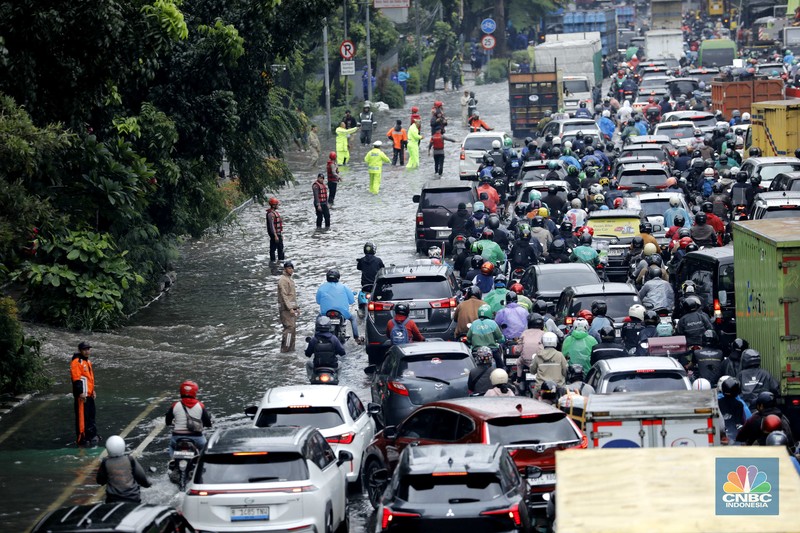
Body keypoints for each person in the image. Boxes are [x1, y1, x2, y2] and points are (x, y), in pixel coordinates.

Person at [96, 435, 151, 503]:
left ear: (107, 449)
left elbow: (100, 480)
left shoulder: (105, 462)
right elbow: (142, 478)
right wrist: (148, 484)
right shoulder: (130, 460)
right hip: (133, 499)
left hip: (113, 501)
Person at [166, 380, 212, 456]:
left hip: (177, 437)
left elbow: (167, 421)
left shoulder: (175, 405)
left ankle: (172, 460)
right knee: (205, 449)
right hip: (196, 437)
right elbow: (208, 423)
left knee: (171, 447)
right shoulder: (200, 405)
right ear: (195, 392)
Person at [316, 268, 361, 343]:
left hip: (326, 313)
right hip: (342, 312)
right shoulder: (344, 286)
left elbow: (318, 301)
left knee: (318, 319)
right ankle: (356, 338)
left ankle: (316, 338)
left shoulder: (321, 287)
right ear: (338, 277)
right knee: (353, 318)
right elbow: (351, 301)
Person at [71, 342, 98, 447]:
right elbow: (76, 379)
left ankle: (91, 435)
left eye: (88, 349)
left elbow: (89, 379)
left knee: (91, 416)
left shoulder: (88, 362)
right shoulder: (76, 362)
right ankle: (82, 438)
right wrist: (80, 393)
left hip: (89, 394)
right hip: (82, 396)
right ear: (80, 350)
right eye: (85, 349)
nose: (87, 351)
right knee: (82, 418)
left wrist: (93, 391)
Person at [467, 304, 506, 369]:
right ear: (489, 313)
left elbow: (468, 338)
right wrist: (502, 339)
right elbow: (499, 338)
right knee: (501, 367)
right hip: (492, 351)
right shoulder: (492, 323)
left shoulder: (474, 323)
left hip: (476, 351)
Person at [276, 261, 300, 352]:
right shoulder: (283, 280)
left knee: (292, 328)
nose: (291, 270)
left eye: (292, 268)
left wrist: (296, 307)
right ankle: (286, 349)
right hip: (285, 309)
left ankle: (291, 349)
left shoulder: (289, 279)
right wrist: (290, 308)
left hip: (291, 309)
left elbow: (292, 296)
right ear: (285, 269)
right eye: (289, 268)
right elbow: (284, 295)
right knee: (289, 329)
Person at [265, 197, 284, 263]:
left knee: (280, 249)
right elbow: (271, 226)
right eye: (276, 204)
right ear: (273, 205)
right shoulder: (271, 214)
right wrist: (275, 235)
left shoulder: (274, 213)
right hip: (274, 235)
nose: (277, 206)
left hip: (278, 234)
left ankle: (281, 262)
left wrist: (280, 235)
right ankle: (273, 262)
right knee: (273, 249)